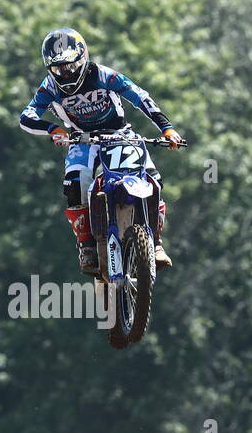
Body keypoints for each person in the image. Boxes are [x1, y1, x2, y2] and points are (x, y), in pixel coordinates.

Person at [19, 27, 184, 275]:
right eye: (58, 69)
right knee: (75, 183)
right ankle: (85, 243)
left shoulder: (104, 75)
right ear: (49, 68)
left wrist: (167, 128)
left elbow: (139, 96)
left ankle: (156, 242)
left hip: (121, 134)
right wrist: (52, 129)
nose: (65, 73)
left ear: (82, 57)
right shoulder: (49, 88)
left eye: (70, 66)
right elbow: (26, 117)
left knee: (152, 178)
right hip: (81, 140)